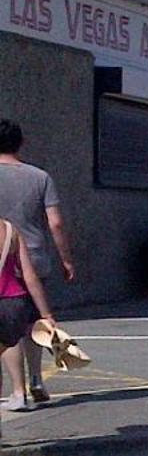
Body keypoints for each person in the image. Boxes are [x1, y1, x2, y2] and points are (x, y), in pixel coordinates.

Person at [0, 120, 75, 411]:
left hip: (2, 257)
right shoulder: (39, 177)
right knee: (32, 322)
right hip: (33, 256)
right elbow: (55, 222)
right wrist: (66, 258)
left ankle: (17, 391)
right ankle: (36, 379)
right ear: (21, 143)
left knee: (7, 329)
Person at [0, 215, 58, 433]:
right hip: (15, 303)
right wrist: (45, 313)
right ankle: (19, 391)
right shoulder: (10, 230)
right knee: (9, 342)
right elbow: (29, 275)